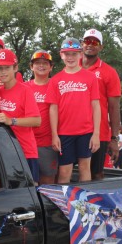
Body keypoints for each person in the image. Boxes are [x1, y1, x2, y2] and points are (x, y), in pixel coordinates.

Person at [46, 37, 101, 183]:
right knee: (64, 171)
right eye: (67, 54)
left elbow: (96, 106)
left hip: (86, 132)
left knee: (84, 167)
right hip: (64, 133)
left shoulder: (90, 77)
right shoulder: (55, 80)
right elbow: (53, 108)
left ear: (80, 54)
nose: (70, 57)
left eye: (74, 54)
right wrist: (54, 135)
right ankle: (64, 205)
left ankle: (85, 204)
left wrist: (96, 133)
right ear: (61, 55)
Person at [0, 49, 41, 183]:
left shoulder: (25, 90)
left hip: (25, 151)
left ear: (15, 68)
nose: (3, 72)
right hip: (5, 150)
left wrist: (11, 121)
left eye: (7, 68)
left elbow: (37, 120)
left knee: (30, 191)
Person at [81, 28, 122, 180]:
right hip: (72, 130)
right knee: (67, 171)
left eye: (95, 42)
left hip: (98, 132)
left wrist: (114, 138)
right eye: (87, 41)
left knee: (96, 173)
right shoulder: (71, 67)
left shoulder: (109, 72)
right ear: (82, 44)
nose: (90, 45)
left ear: (100, 47)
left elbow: (114, 107)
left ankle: (96, 204)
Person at [25, 50, 57, 184]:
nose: (41, 66)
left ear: (51, 67)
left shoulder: (56, 84)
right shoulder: (24, 86)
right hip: (27, 142)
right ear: (31, 66)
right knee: (27, 180)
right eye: (37, 63)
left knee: (48, 179)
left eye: (45, 63)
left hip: (48, 142)